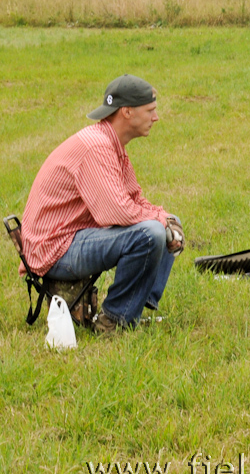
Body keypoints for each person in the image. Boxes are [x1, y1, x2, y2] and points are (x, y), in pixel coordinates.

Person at [19, 75, 182, 333]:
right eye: (150, 110)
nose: (156, 117)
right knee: (150, 233)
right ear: (127, 112)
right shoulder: (96, 147)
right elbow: (115, 212)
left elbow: (133, 198)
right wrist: (160, 222)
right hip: (54, 249)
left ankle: (134, 308)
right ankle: (113, 321)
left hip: (70, 238)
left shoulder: (111, 142)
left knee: (168, 222)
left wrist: (165, 218)